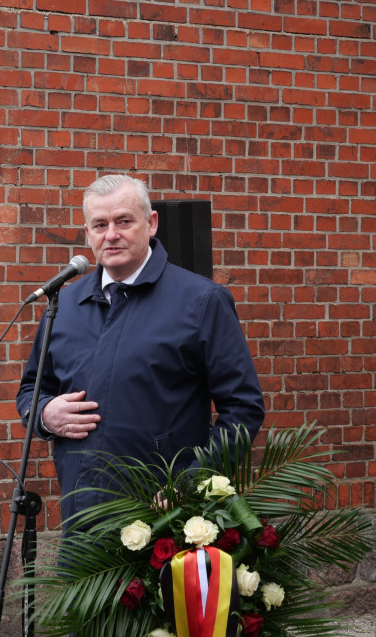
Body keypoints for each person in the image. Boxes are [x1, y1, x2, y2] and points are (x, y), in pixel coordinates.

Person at [16, 174, 265, 524]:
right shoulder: (66, 304)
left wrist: (191, 484)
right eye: (99, 224)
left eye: (124, 221)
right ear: (87, 233)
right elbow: (32, 388)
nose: (111, 234)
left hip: (165, 516)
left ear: (151, 224)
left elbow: (243, 408)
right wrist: (44, 414)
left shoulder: (201, 301)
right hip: (82, 513)